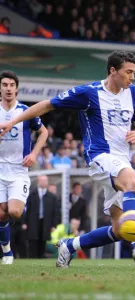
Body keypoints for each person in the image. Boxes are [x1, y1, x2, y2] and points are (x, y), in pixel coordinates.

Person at [0, 51, 135, 267]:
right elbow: (47, 105)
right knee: (133, 182)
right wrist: (13, 122)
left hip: (121, 161)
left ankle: (70, 246)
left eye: (134, 73)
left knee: (120, 229)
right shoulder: (89, 93)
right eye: (128, 72)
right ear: (113, 71)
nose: (132, 77)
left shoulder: (134, 93)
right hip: (99, 156)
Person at [0, 70, 48, 264]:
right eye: (5, 85)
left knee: (15, 212)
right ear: (0, 88)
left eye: (12, 85)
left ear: (17, 88)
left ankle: (17, 200)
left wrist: (34, 153)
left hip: (19, 170)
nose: (8, 88)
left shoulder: (26, 111)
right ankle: (7, 251)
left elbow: (43, 132)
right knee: (1, 213)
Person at [23, 175, 58, 258]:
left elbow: (55, 212)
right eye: (42, 180)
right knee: (33, 241)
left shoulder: (52, 197)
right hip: (33, 222)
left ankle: (41, 258)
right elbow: (26, 209)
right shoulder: (31, 195)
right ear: (39, 181)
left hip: (46, 222)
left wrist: (54, 225)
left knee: (43, 241)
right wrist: (24, 222)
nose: (44, 182)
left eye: (45, 180)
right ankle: (32, 259)